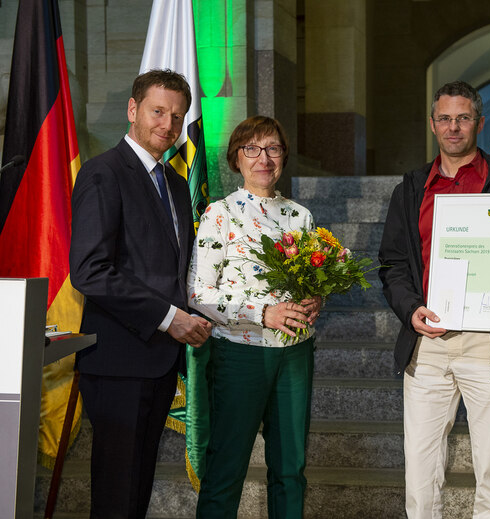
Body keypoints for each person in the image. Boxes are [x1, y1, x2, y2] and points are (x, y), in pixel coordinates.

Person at [378, 80, 490, 518]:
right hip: (428, 339)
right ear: (432, 124)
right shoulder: (411, 188)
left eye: (462, 118)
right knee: (420, 472)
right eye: (444, 118)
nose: (453, 127)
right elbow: (393, 265)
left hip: (488, 339)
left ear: (478, 121)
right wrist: (410, 309)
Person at [70, 69, 212, 518]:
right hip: (117, 362)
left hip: (157, 361)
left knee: (136, 491)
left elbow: (171, 268)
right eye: (157, 111)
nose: (167, 125)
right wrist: (171, 318)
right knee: (115, 496)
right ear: (132, 110)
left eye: (177, 116)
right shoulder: (102, 173)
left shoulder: (172, 181)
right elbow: (90, 271)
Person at [188, 115, 322, 518]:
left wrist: (316, 298)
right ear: (237, 158)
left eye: (273, 148)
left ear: (283, 157)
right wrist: (262, 312)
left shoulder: (301, 216)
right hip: (240, 356)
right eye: (252, 149)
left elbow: (311, 277)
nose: (264, 158)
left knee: (290, 469)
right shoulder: (220, 213)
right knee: (226, 467)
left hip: (295, 354)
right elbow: (198, 293)